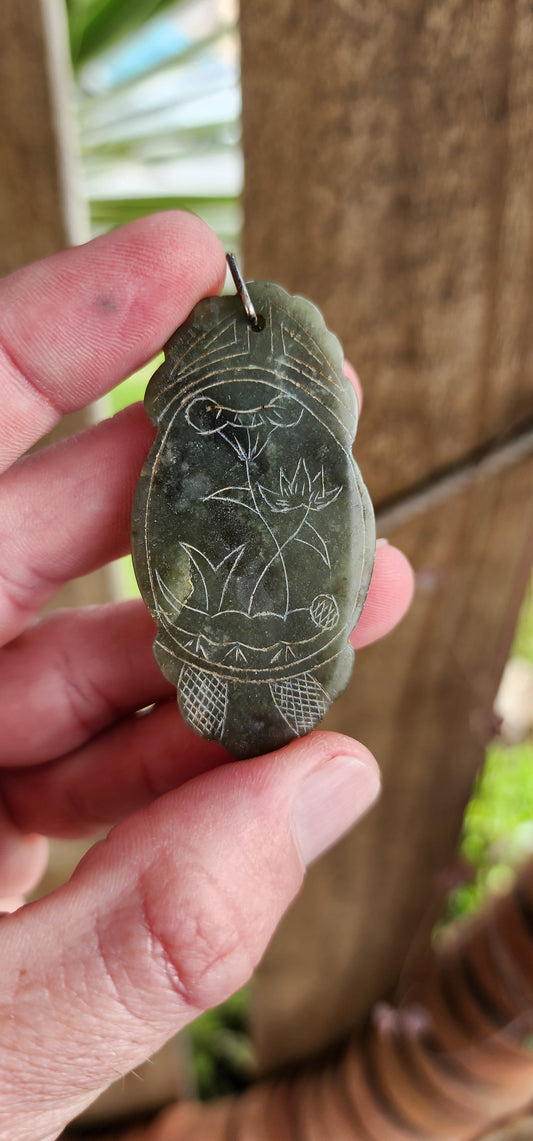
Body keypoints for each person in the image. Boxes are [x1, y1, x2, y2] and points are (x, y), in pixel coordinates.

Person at [0, 212, 413, 1140]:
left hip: (265, 633)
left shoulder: (288, 467)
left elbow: (310, 512)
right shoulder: (199, 455)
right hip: (223, 636)